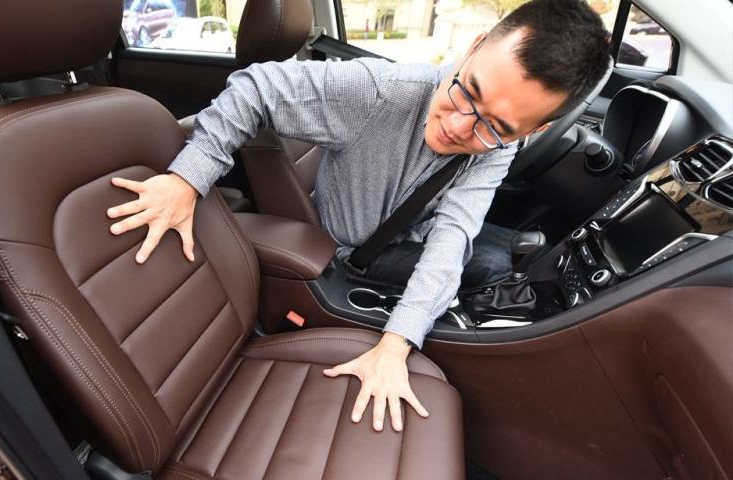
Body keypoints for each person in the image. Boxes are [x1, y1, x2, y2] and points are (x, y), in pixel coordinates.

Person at [105, 0, 610, 433]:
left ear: (530, 131)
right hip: (354, 252)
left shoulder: (498, 147)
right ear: (474, 47)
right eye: (467, 92)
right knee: (497, 263)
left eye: (494, 127)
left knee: (505, 248)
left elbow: (454, 235)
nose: (460, 127)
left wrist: (397, 343)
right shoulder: (382, 91)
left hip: (413, 231)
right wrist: (188, 177)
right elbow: (256, 85)